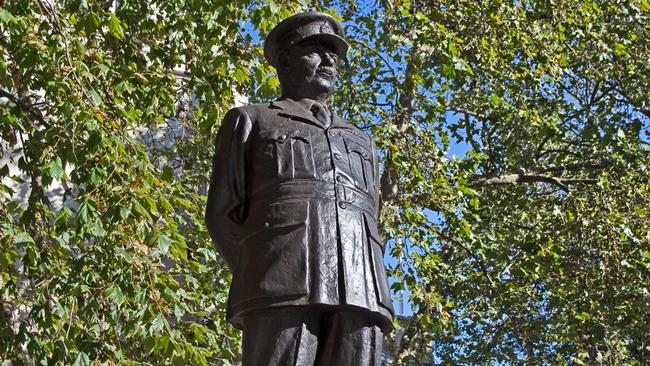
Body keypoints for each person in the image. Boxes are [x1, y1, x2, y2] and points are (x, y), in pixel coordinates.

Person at [205, 11, 393, 366]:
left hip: (361, 285)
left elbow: (372, 216)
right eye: (315, 51)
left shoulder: (361, 140)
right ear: (287, 61)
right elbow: (221, 215)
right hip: (281, 284)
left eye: (333, 54)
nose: (328, 61)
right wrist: (263, 267)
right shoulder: (252, 120)